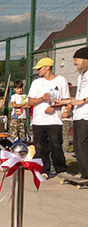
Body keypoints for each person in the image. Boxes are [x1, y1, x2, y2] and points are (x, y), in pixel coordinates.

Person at [27, 57, 70, 177]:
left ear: (48, 67)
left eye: (40, 68)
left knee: (56, 145)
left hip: (55, 120)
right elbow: (30, 101)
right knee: (40, 147)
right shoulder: (36, 82)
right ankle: (43, 170)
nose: (38, 71)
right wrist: (42, 98)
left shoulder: (61, 80)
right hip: (38, 120)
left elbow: (66, 100)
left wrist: (54, 107)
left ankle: (61, 169)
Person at [68, 47, 88, 178]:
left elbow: (83, 98)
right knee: (78, 145)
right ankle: (84, 173)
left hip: (86, 116)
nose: (75, 62)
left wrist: (83, 100)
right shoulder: (81, 76)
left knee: (81, 145)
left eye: (77, 59)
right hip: (79, 115)